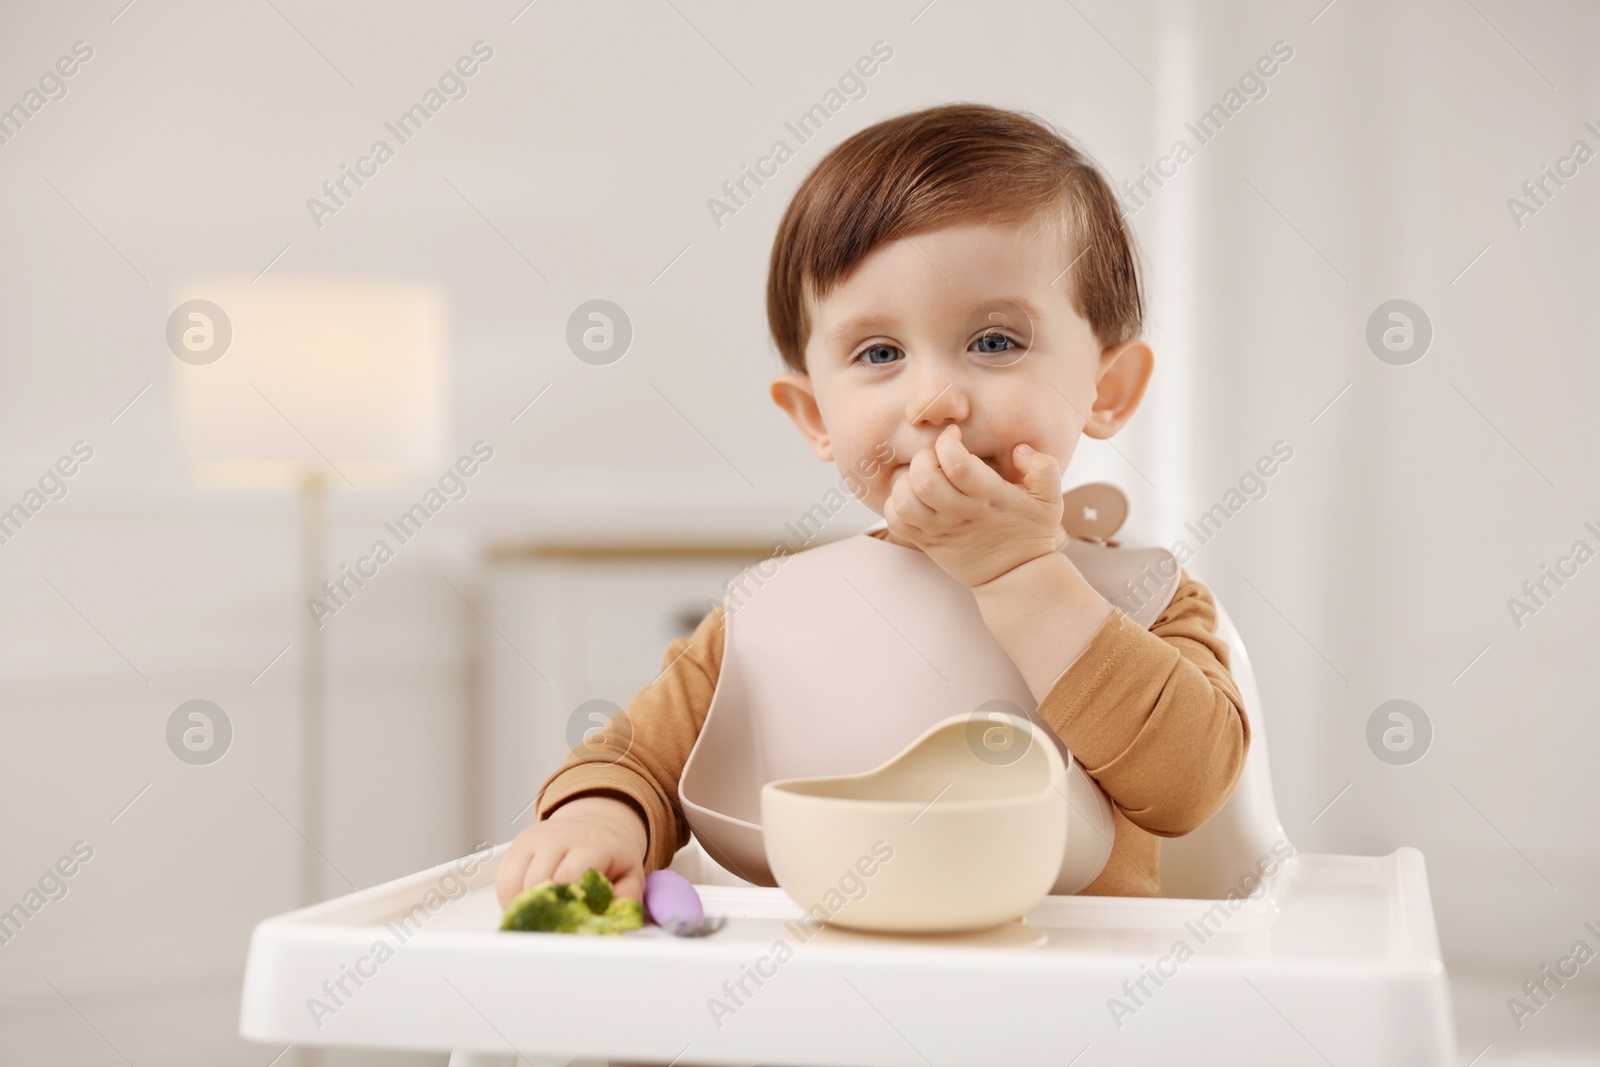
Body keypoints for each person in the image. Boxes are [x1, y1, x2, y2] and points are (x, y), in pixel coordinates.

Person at [495, 102, 1250, 912]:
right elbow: (633, 760)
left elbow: (1191, 783)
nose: (934, 399)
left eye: (995, 341)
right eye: (879, 352)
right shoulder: (768, 616)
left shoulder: (1147, 602)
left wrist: (1024, 575)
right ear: (816, 415)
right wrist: (601, 817)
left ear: (1107, 388)